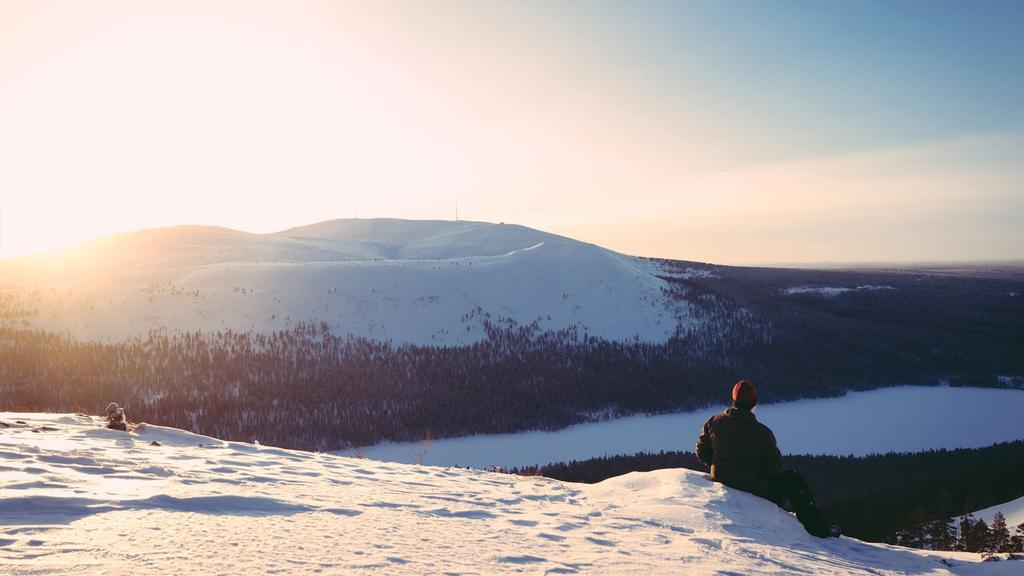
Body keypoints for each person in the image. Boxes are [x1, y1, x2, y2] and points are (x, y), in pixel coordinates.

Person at [696, 380, 838, 538]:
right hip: (753, 486)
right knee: (794, 480)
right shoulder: (762, 433)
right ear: (754, 403)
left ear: (733, 401)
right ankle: (818, 529)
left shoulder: (713, 422)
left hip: (721, 478)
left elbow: (701, 453)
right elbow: (775, 469)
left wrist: (720, 464)